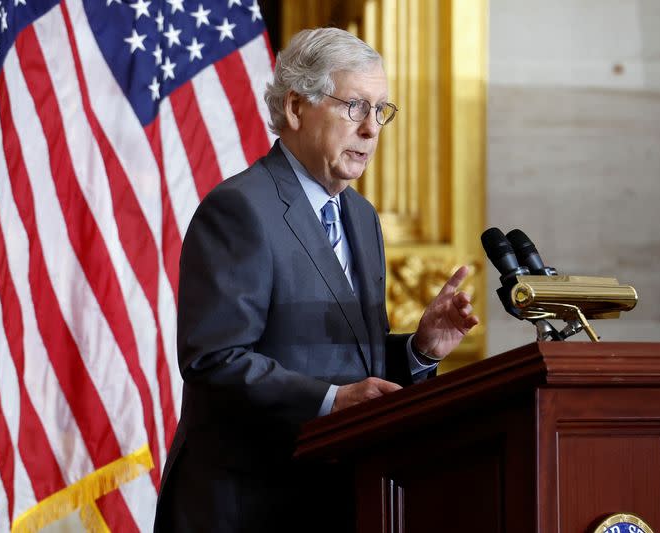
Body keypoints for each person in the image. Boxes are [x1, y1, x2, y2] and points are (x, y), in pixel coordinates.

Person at [153, 27, 479, 533]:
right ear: (296, 108)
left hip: (336, 501)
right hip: (247, 508)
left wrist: (420, 350)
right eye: (355, 106)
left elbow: (347, 363)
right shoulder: (240, 209)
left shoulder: (361, 217)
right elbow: (213, 361)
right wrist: (332, 402)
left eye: (382, 111)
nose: (372, 129)